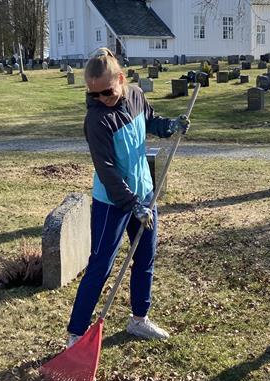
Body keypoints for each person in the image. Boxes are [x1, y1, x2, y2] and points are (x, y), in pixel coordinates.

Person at [66, 47, 190, 348]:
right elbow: (107, 171)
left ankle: (139, 319)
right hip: (112, 202)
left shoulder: (135, 95)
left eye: (106, 92)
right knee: (101, 265)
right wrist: (131, 204)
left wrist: (170, 126)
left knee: (145, 256)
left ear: (121, 80)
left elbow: (150, 120)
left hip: (144, 192)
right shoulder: (96, 120)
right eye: (93, 94)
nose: (101, 99)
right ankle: (76, 335)